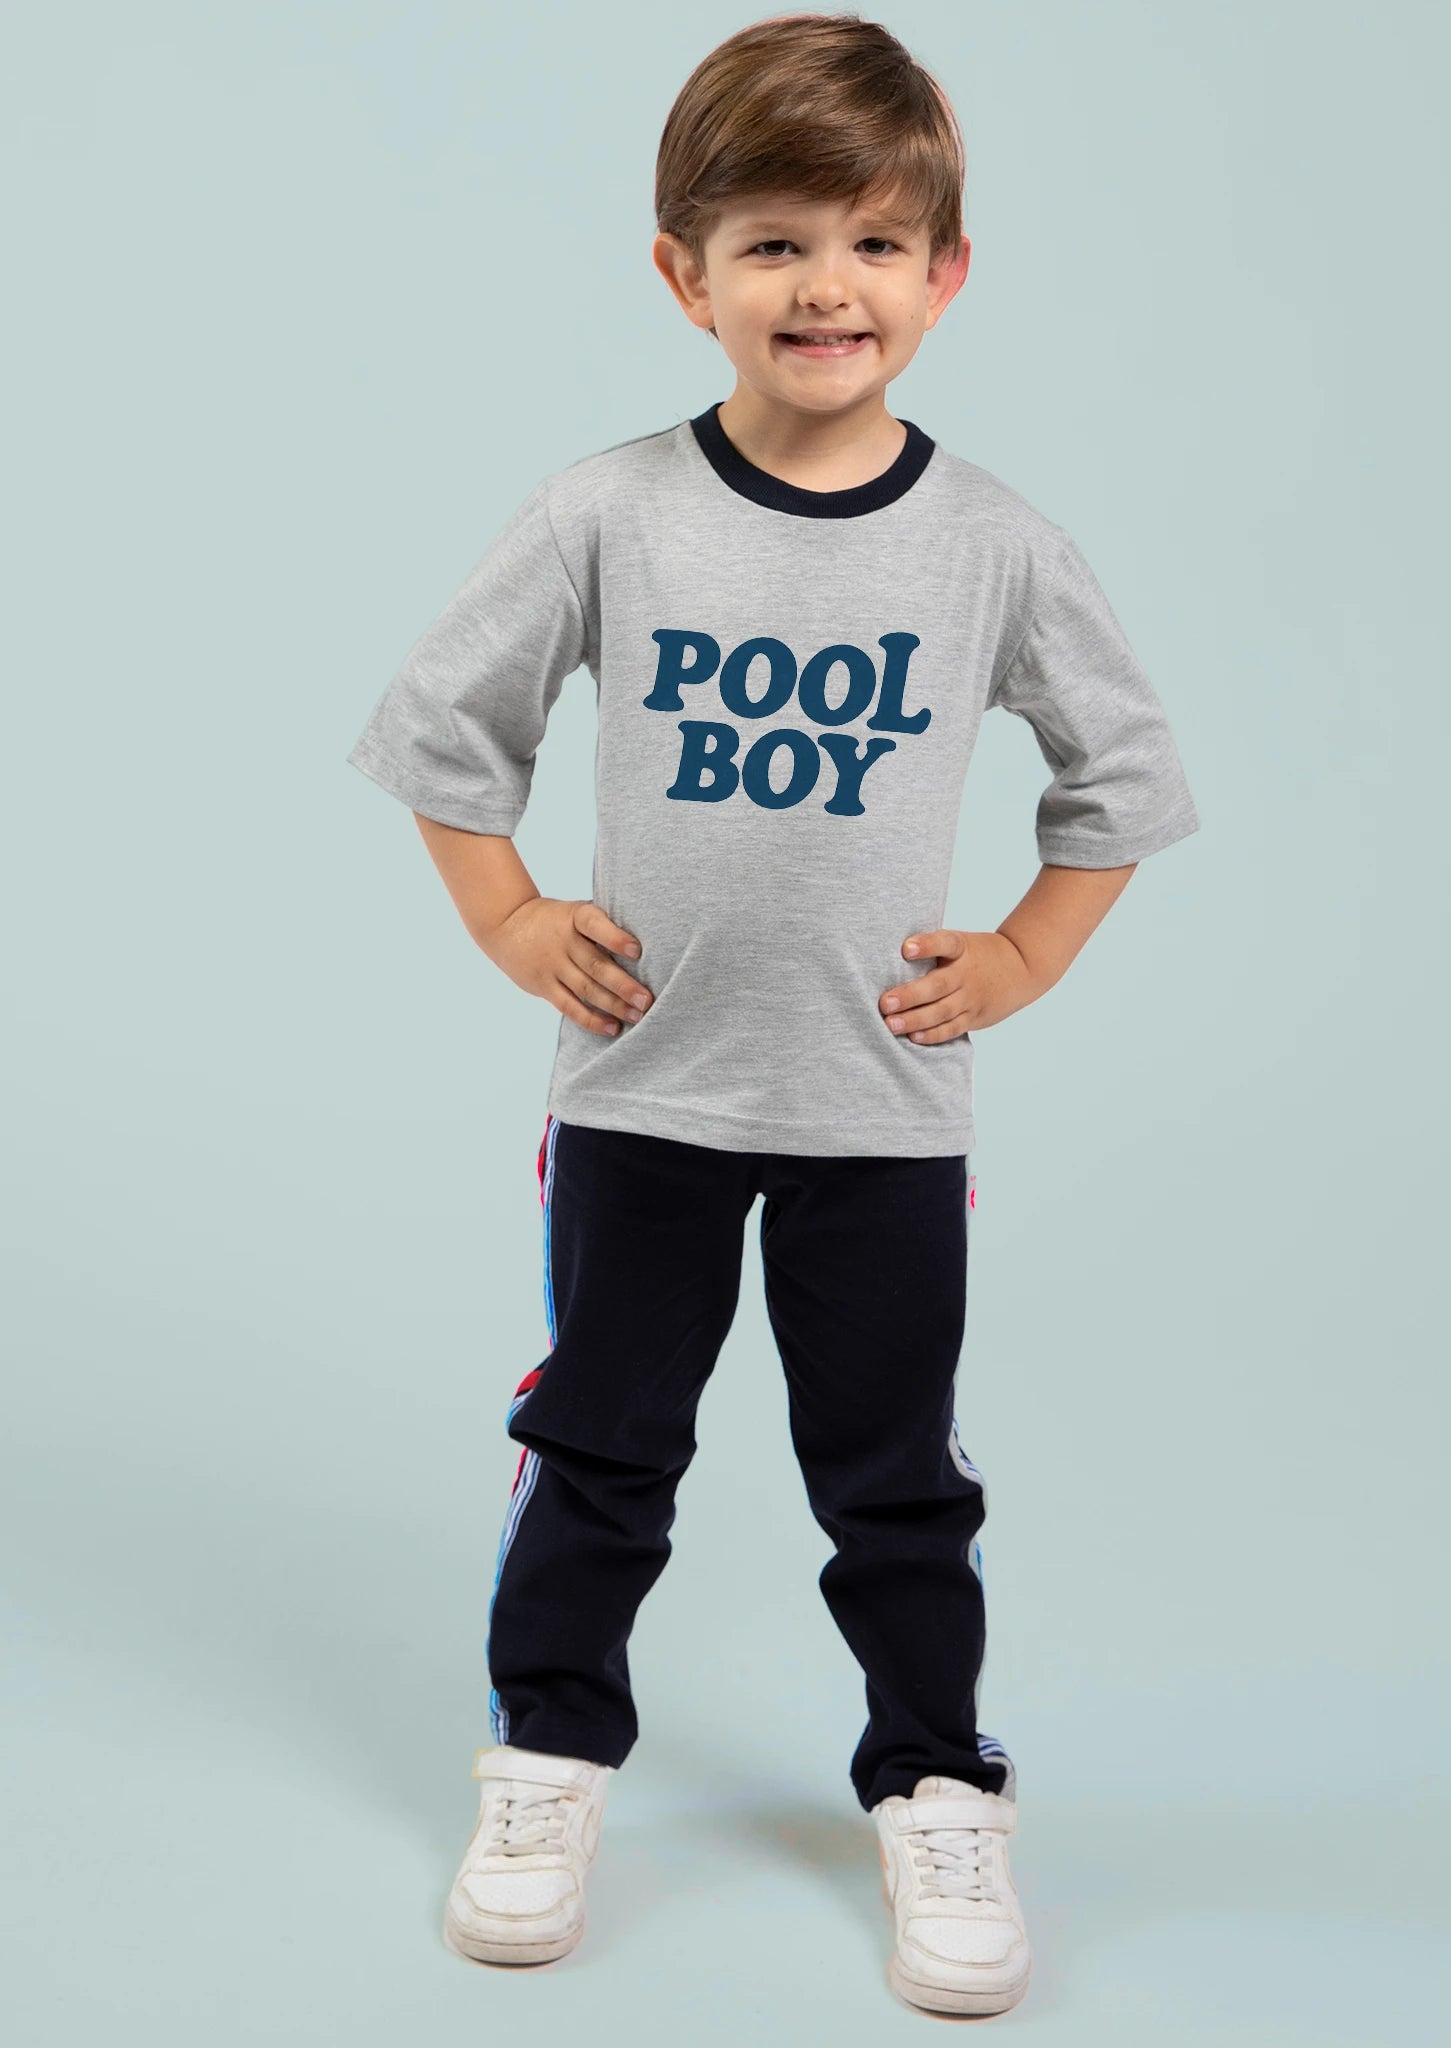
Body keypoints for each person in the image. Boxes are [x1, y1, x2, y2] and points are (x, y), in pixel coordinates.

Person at [345, 12, 1199, 2020]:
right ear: (686, 272)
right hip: (646, 1088)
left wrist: (1024, 956)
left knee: (894, 1471)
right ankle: (549, 1755)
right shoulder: (611, 512)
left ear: (947, 274)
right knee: (598, 1445)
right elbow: (445, 733)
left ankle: (936, 1780)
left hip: (881, 1110)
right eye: (780, 242)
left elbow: (1122, 776)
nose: (830, 286)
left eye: (880, 244)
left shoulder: (990, 541)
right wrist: (508, 916)